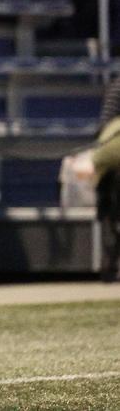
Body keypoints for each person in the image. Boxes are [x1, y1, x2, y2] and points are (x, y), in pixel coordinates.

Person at [93, 75, 120, 283]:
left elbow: (102, 126)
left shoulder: (115, 85)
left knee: (108, 204)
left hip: (105, 153)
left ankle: (110, 258)